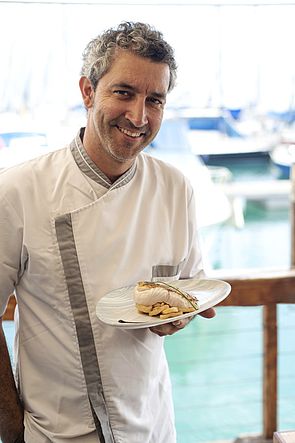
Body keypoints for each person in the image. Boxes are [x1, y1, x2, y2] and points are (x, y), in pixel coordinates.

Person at [0, 21, 215, 443]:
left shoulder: (176, 189)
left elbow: (192, 290)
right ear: (87, 91)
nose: (139, 116)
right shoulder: (18, 191)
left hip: (153, 427)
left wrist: (180, 317)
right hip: (55, 434)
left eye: (155, 100)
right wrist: (11, 429)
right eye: (124, 93)